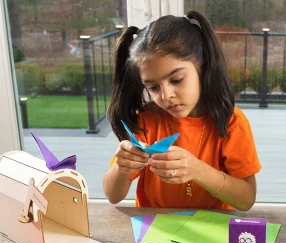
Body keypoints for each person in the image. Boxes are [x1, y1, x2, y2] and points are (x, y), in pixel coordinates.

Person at [104, 11, 261, 211]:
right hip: (154, 225)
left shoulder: (232, 123)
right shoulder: (145, 120)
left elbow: (246, 200)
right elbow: (113, 195)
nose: (166, 95)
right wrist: (121, 167)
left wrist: (198, 170)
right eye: (153, 87)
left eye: (176, 80)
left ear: (202, 66)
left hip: (212, 225)